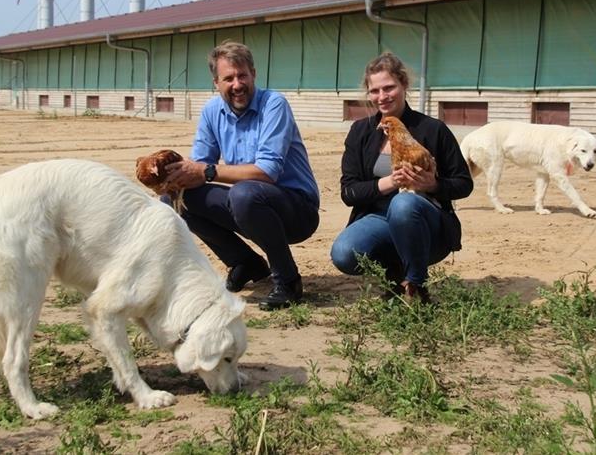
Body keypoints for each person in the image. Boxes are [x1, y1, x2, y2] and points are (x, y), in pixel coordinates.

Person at [164, 41, 320, 310]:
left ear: (253, 75)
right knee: (179, 199)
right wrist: (174, 180)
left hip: (296, 210)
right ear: (216, 83)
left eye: (242, 75)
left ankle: (288, 279)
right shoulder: (213, 112)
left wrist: (207, 171)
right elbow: (199, 165)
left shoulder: (274, 104)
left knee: (244, 193)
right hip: (249, 202)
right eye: (228, 78)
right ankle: (244, 262)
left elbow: (267, 172)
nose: (237, 84)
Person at [330, 52, 473, 301]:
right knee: (344, 253)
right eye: (375, 91)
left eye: (389, 87)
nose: (382, 97)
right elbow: (349, 192)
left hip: (426, 222)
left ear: (404, 85)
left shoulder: (433, 129)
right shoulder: (361, 131)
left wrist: (434, 184)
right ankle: (395, 274)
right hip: (378, 218)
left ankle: (416, 283)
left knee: (404, 203)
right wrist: (391, 182)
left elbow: (463, 183)